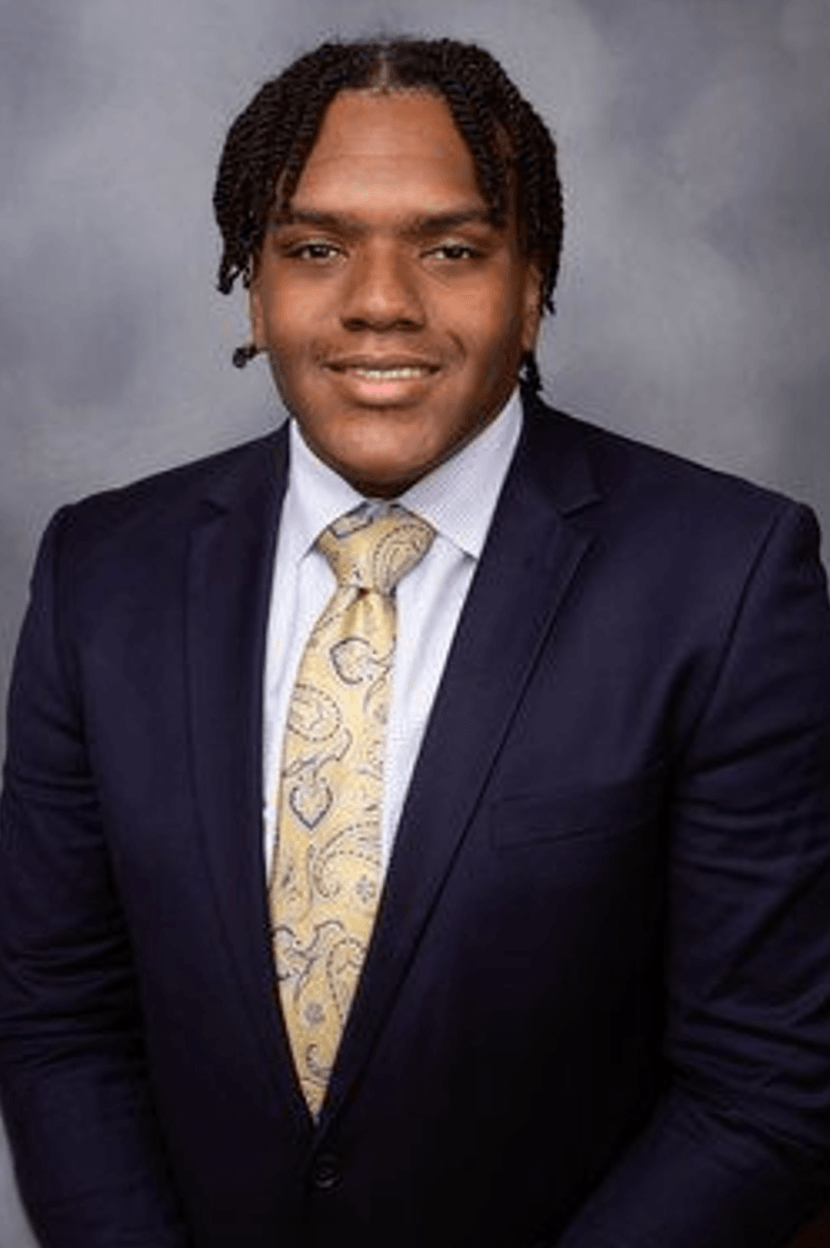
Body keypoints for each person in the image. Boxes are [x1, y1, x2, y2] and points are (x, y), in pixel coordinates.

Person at [1, 34, 830, 1248]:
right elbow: (57, 1018)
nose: (379, 300)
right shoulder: (101, 573)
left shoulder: (725, 578)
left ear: (532, 281)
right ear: (255, 284)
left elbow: (766, 1083)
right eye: (316, 248)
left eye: (450, 249)